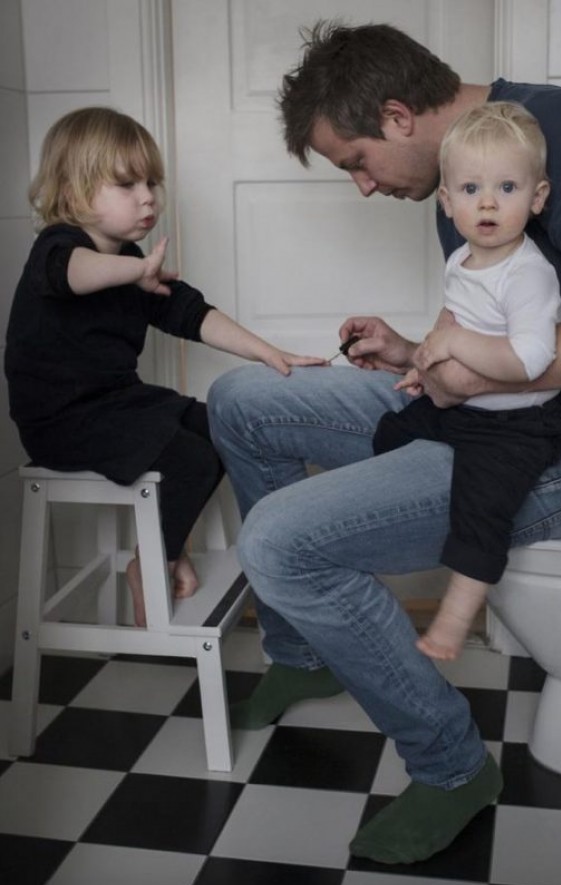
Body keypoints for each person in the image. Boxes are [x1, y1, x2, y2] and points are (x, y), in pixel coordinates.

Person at [207, 21, 561, 865]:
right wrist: (410, 351)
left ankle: (453, 766)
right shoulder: (462, 181)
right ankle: (302, 649)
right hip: (479, 414)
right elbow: (476, 322)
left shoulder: (551, 134)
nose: (361, 186)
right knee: (241, 399)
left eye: (354, 160)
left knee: (279, 544)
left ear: (397, 116)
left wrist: (482, 379)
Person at [4, 106, 325, 628]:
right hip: (61, 421)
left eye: (152, 181)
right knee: (189, 460)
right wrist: (136, 271)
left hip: (118, 403)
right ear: (75, 190)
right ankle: (151, 564)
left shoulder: (132, 259)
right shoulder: (59, 249)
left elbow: (192, 314)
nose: (148, 195)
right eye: (127, 183)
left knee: (224, 429)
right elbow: (72, 274)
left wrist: (269, 352)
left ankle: (172, 550)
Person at [373, 102, 561, 661]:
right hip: (465, 407)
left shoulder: (528, 273)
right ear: (447, 201)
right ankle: (394, 516)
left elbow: (532, 358)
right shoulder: (463, 258)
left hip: (519, 425)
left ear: (537, 198)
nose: (487, 202)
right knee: (390, 433)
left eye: (507, 187)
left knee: (482, 511)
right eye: (471, 188)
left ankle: (453, 624)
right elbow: (450, 320)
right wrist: (424, 360)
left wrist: (456, 347)